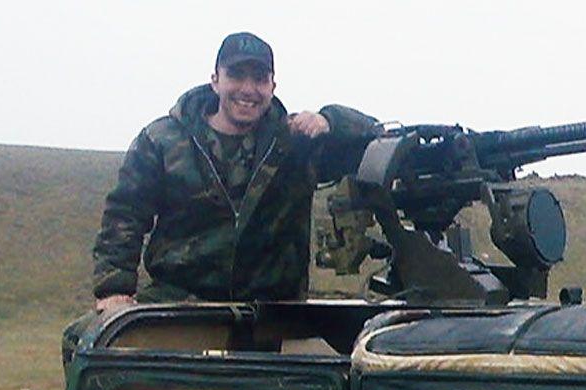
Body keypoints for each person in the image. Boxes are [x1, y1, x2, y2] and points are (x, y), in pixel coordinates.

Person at [85, 32, 378, 317]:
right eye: (236, 75)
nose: (248, 89)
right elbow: (126, 213)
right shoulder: (163, 140)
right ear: (215, 80)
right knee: (85, 336)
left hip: (272, 313)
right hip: (179, 305)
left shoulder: (295, 144)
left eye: (260, 78)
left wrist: (331, 120)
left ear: (273, 86)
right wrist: (114, 290)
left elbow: (377, 138)